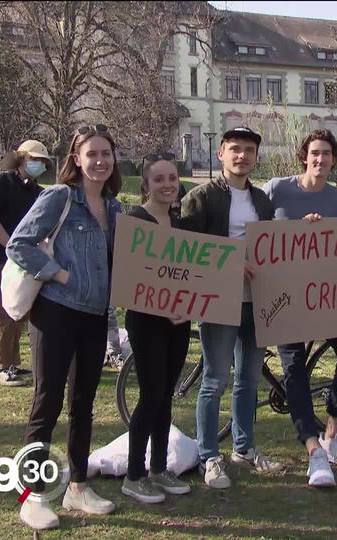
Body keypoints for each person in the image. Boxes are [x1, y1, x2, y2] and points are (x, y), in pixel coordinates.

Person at [8, 125, 123, 529]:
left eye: (106, 153)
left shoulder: (115, 208)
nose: (99, 161)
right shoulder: (59, 197)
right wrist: (56, 274)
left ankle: (77, 486)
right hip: (55, 312)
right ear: (76, 158)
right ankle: (32, 495)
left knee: (83, 405)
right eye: (91, 154)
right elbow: (18, 243)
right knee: (47, 401)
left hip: (94, 317)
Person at [180, 127, 283, 489]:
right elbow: (189, 250)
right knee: (215, 380)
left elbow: (275, 244)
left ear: (256, 156)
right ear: (221, 153)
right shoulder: (201, 197)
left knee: (249, 381)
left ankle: (244, 448)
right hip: (219, 300)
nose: (242, 156)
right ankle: (209, 456)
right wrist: (230, 265)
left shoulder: (262, 200)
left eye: (249, 150)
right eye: (235, 149)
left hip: (259, 302)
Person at [262, 129, 337, 488]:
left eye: (326, 154)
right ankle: (313, 450)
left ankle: (333, 435)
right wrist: (295, 231)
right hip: (285, 294)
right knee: (293, 368)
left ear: (334, 160)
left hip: (326, 296)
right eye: (314, 153)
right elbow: (258, 235)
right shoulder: (276, 189)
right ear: (304, 156)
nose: (320, 160)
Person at [120, 154, 192, 504]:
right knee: (150, 396)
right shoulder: (136, 221)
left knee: (165, 394)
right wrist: (167, 307)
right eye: (159, 179)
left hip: (179, 324)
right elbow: (133, 278)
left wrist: (186, 307)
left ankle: (158, 468)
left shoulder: (179, 224)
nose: (168, 184)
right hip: (147, 322)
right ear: (145, 185)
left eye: (173, 178)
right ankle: (134, 475)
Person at [0, 139, 49, 387]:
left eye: (42, 162)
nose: (38, 164)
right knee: (2, 313)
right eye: (34, 159)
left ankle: (10, 362)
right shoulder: (1, 181)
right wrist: (11, 246)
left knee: (18, 310)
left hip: (18, 260)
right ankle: (2, 367)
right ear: (21, 158)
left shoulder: (37, 192)